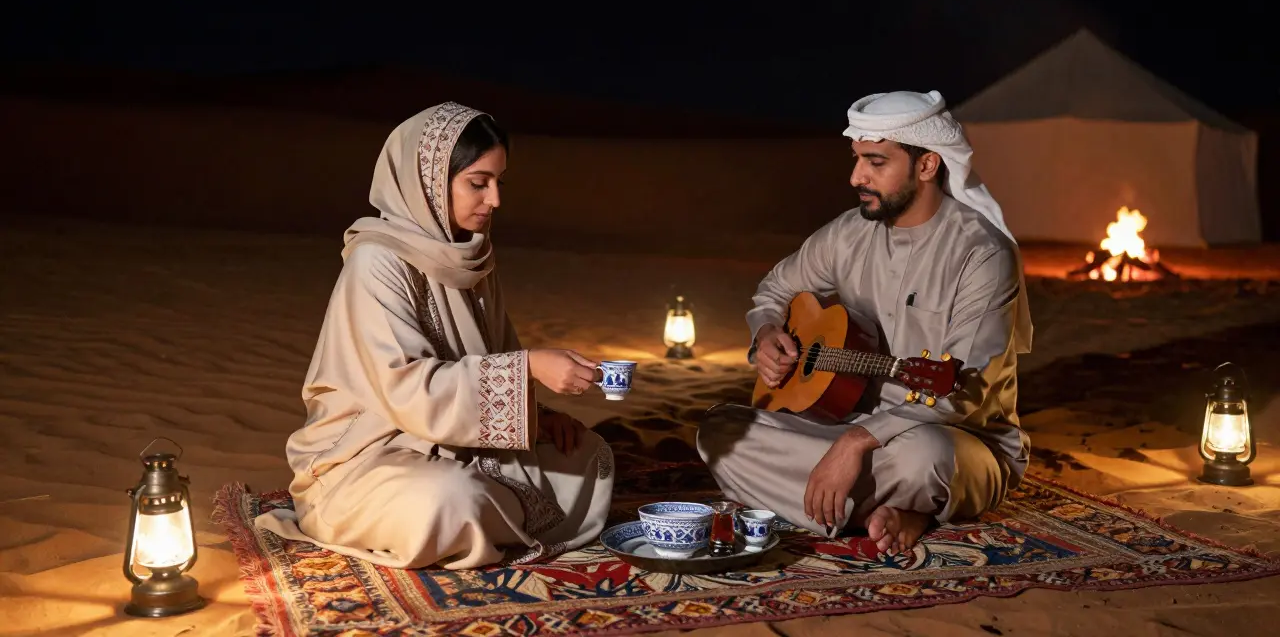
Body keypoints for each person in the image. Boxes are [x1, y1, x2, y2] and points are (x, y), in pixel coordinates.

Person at [256, 102, 614, 569]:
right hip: (367, 456)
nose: (495, 200)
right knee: (452, 501)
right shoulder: (376, 262)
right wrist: (528, 367)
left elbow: (490, 354)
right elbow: (407, 388)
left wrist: (538, 415)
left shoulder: (472, 257)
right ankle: (453, 514)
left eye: (498, 183)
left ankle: (489, 513)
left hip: (457, 441)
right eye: (477, 183)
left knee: (588, 455)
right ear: (427, 182)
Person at [697, 90, 1033, 556]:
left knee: (925, 457)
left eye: (876, 162)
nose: (857, 176)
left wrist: (855, 445)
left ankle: (869, 506)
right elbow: (775, 289)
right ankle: (886, 511)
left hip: (955, 436)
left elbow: (964, 390)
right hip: (845, 419)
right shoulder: (848, 234)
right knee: (719, 432)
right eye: (857, 159)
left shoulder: (982, 254)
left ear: (928, 165)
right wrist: (767, 332)